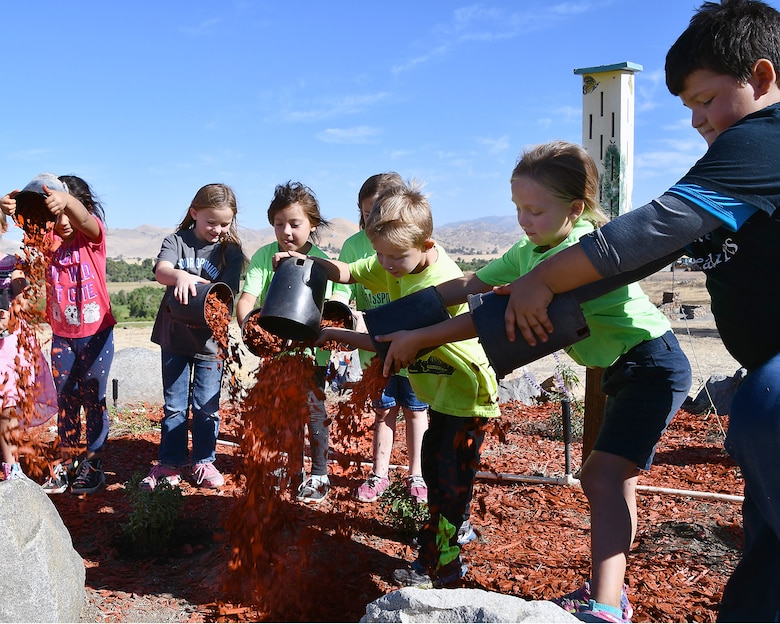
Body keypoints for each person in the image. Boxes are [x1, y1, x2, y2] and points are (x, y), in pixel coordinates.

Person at [486, 2, 780, 621]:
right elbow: (643, 259)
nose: (698, 120)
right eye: (688, 108)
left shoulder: (763, 138)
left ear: (762, 78)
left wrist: (541, 280)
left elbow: (647, 232)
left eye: (704, 100)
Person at [378, 142, 692, 622]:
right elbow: (468, 285)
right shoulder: (530, 249)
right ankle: (611, 588)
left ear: (575, 208)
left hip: (652, 363)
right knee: (616, 482)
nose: (523, 220)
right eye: (518, 208)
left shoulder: (579, 252)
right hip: (626, 368)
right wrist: (392, 322)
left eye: (535, 210)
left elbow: (491, 320)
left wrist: (419, 337)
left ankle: (605, 608)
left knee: (601, 477)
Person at [286, 180, 501, 588]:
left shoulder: (432, 286)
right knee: (439, 479)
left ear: (426, 243)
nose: (384, 265)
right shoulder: (396, 259)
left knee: (450, 488)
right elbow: (350, 272)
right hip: (441, 395)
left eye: (394, 256)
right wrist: (310, 261)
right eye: (379, 253)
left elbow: (383, 344)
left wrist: (333, 336)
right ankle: (433, 558)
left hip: (467, 395)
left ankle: (447, 572)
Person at [2, 174, 116, 495]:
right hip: (62, 336)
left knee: (92, 397)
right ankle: (67, 459)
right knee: (66, 396)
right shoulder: (48, 243)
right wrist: (11, 208)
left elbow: (85, 221)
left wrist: (67, 203)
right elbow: (29, 221)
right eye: (57, 216)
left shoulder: (91, 238)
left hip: (96, 335)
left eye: (68, 213)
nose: (64, 222)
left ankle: (93, 462)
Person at [236, 180, 348, 505]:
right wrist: (250, 327)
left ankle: (320, 474)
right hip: (275, 355)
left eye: (295, 224)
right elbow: (247, 300)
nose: (286, 231)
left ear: (312, 225)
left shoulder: (323, 263)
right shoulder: (262, 256)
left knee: (313, 412)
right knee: (281, 413)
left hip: (312, 356)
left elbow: (337, 306)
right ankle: (290, 470)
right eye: (278, 223)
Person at [333, 172, 429, 505]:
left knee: (416, 410)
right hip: (374, 349)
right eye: (365, 213)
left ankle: (417, 474)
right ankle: (379, 473)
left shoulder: (409, 241)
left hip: (415, 348)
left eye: (378, 210)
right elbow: (344, 287)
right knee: (384, 410)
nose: (371, 219)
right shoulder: (354, 246)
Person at [142, 183, 244, 491]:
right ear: (194, 213)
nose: (217, 229)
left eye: (225, 223)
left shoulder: (231, 252)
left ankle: (203, 460)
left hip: (211, 343)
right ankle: (170, 463)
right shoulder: (177, 241)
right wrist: (180, 275)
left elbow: (226, 293)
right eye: (211, 221)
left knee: (206, 406)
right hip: (174, 337)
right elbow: (161, 271)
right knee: (174, 405)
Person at [0, 212, 57, 480]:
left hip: (10, 345)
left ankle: (10, 466)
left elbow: (22, 296)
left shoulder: (12, 263)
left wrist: (17, 283)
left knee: (8, 403)